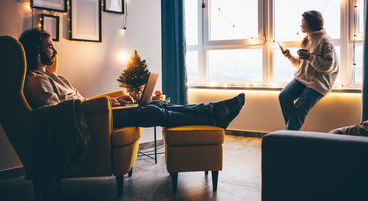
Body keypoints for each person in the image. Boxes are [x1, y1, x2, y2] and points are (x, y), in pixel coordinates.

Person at [19, 28, 245, 129]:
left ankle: (211, 111)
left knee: (156, 104)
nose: (54, 51)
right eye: (49, 47)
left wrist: (111, 102)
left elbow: (79, 101)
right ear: (36, 51)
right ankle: (213, 114)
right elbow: (59, 113)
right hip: (89, 122)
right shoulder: (36, 80)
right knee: (152, 111)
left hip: (96, 112)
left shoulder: (53, 76)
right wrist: (106, 104)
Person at [279, 10, 338, 130]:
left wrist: (310, 57)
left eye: (303, 22)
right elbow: (302, 64)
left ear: (310, 24)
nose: (300, 25)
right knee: (284, 96)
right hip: (304, 78)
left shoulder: (325, 41)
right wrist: (290, 56)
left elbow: (329, 66)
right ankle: (290, 133)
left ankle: (288, 136)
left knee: (300, 108)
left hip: (318, 83)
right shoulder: (308, 39)